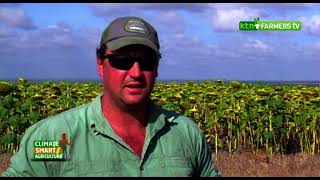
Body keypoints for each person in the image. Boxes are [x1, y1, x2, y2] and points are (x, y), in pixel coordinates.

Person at [2, 16, 221, 177]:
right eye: (122, 61)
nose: (135, 73)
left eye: (146, 62)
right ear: (100, 64)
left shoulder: (185, 134)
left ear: (156, 68)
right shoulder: (54, 137)